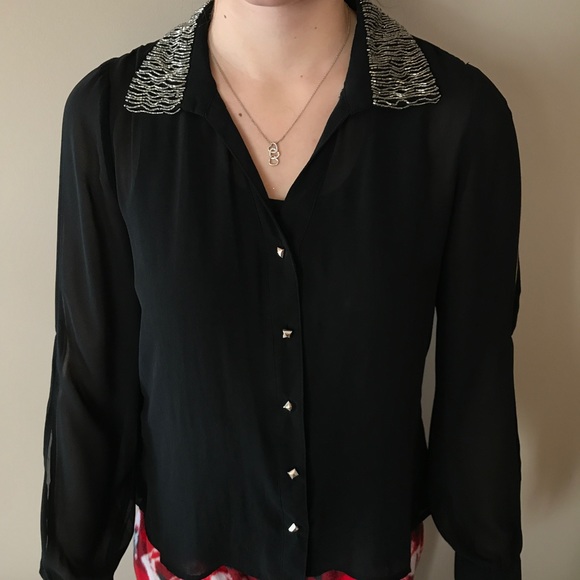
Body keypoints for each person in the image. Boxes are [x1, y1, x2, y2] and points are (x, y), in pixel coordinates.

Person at [39, 0, 523, 579]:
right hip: (185, 553)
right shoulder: (109, 115)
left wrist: (488, 558)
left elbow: (478, 378)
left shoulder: (458, 115)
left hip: (367, 553)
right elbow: (90, 373)